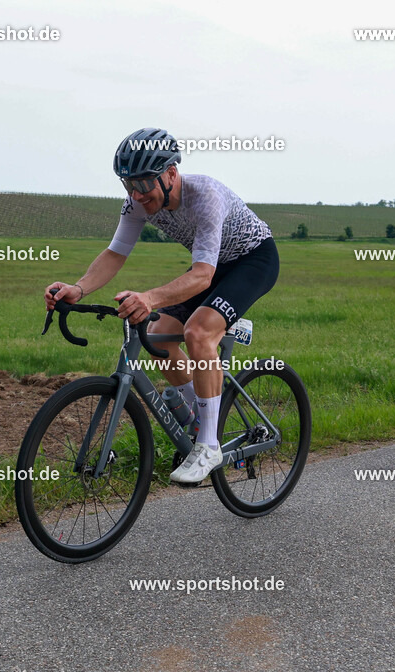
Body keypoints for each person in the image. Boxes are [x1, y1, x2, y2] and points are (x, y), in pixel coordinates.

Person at [45, 127, 278, 483]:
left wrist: (150, 297)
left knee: (198, 332)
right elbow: (115, 253)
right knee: (159, 337)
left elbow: (201, 276)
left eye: (143, 184)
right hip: (213, 266)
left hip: (253, 260)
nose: (137, 194)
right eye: (128, 185)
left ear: (171, 174)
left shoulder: (205, 196)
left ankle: (209, 444)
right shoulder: (137, 203)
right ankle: (203, 417)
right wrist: (79, 288)